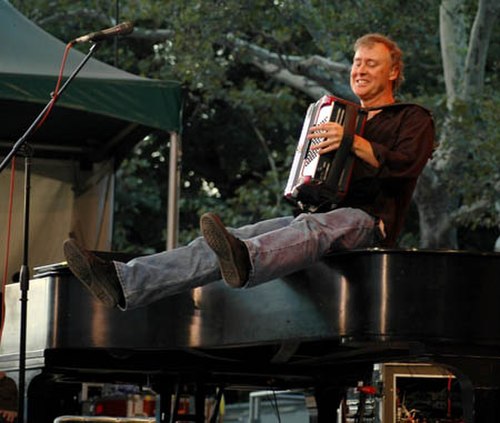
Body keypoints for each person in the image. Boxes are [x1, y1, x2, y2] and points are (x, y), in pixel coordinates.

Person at [63, 33, 435, 310]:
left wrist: (352, 141)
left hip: (368, 223)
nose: (360, 70)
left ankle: (248, 260)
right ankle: (123, 281)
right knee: (225, 240)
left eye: (371, 63)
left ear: (393, 72)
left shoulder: (412, 117)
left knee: (310, 227)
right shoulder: (341, 115)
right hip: (318, 218)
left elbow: (407, 166)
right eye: (356, 62)